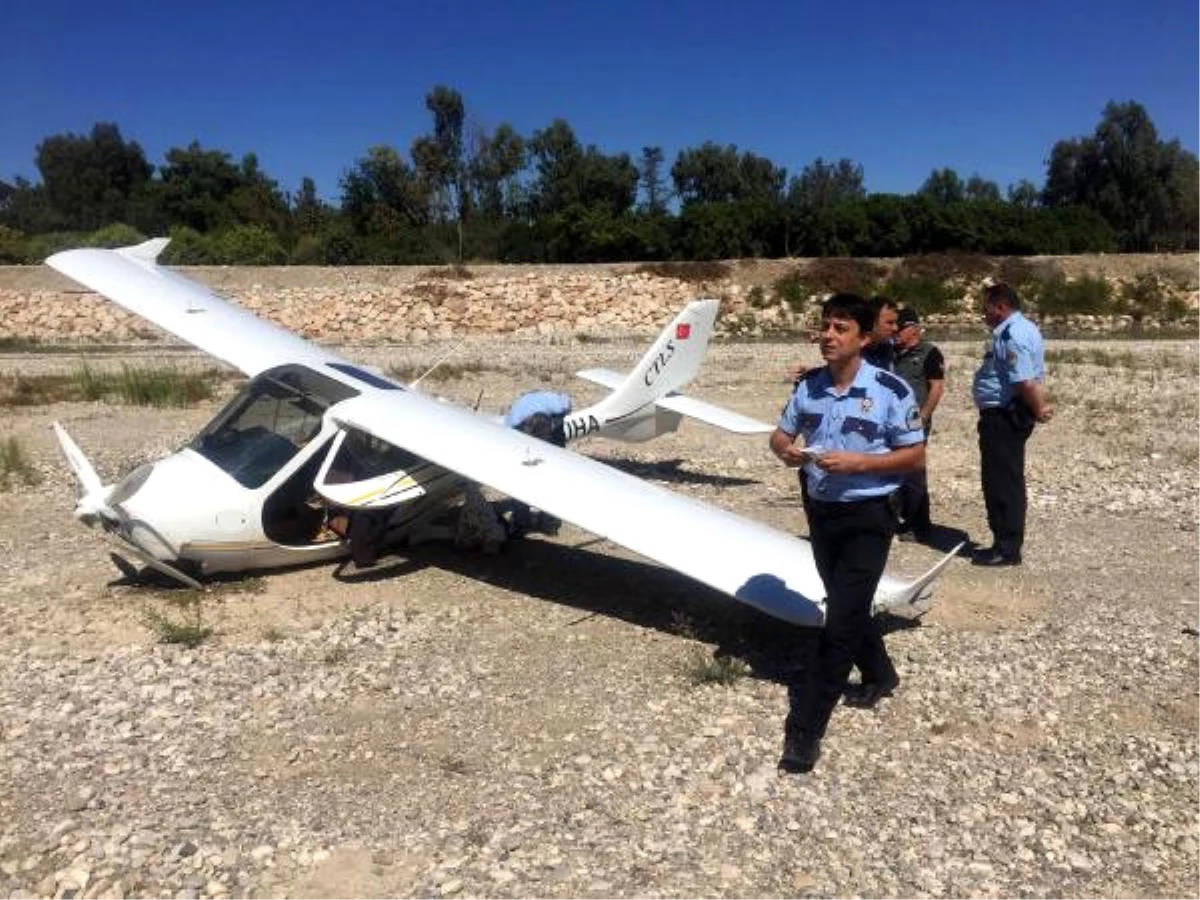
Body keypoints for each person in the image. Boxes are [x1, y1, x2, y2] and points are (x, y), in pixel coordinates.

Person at [769, 293, 926, 774]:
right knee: (845, 601)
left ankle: (806, 731)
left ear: (862, 338)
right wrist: (786, 451)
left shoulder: (890, 390)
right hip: (821, 509)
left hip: (870, 515)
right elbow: (779, 435)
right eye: (825, 327)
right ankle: (880, 673)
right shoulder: (809, 387)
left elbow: (914, 456)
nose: (828, 337)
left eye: (840, 329)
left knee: (838, 624)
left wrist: (863, 462)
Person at [971, 283, 1053, 567]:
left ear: (1001, 307)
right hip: (1006, 413)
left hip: (1004, 415)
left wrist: (1039, 407)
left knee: (1001, 481)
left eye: (987, 309)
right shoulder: (1024, 328)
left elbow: (1024, 380)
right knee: (1006, 478)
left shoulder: (1011, 334)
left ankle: (1006, 548)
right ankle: (1005, 542)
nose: (984, 315)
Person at [892, 307, 946, 541]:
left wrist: (923, 416)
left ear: (913, 328)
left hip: (915, 423)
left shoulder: (930, 353)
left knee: (914, 473)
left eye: (900, 327)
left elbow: (936, 387)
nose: (896, 331)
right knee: (892, 470)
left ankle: (919, 524)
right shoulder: (891, 353)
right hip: (891, 423)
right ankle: (896, 518)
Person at [504, 390, 573, 536]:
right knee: (521, 478)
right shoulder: (515, 424)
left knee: (550, 474)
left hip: (537, 424)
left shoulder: (558, 405)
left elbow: (566, 405)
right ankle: (525, 522)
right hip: (525, 428)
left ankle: (543, 522)